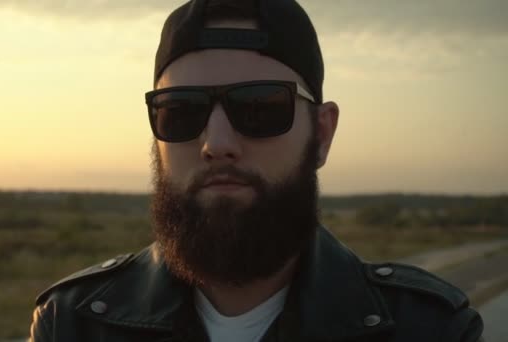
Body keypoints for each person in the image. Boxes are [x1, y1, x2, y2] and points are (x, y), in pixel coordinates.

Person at [29, 0, 484, 341]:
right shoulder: (73, 323)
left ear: (321, 134)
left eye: (260, 107)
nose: (217, 144)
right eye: (181, 112)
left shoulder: (428, 328)